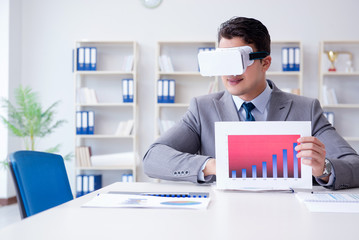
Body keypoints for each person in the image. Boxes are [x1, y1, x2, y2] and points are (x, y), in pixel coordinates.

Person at [143, 16, 359, 190]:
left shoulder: (305, 109)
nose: (230, 72)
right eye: (224, 61)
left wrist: (324, 168)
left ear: (265, 62)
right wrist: (212, 165)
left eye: (238, 61)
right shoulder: (203, 109)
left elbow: (355, 165)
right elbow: (153, 158)